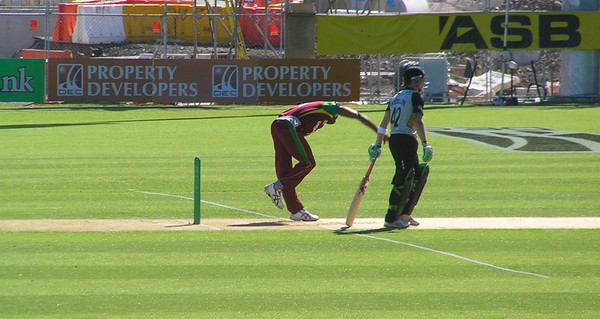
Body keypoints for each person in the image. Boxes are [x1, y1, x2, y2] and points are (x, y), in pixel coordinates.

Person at [264, 101, 384, 221]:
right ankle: (277, 186)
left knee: (287, 173)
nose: (326, 123)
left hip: (278, 126)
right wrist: (379, 131)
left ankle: (296, 211)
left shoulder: (309, 111)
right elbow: (357, 115)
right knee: (308, 163)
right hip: (287, 126)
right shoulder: (329, 107)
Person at [369, 66, 433, 229]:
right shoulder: (415, 97)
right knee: (404, 177)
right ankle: (391, 218)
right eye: (422, 80)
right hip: (405, 139)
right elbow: (418, 121)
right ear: (415, 81)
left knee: (419, 173)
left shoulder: (396, 97)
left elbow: (384, 125)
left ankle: (405, 213)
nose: (424, 84)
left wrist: (377, 143)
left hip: (397, 139)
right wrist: (426, 144)